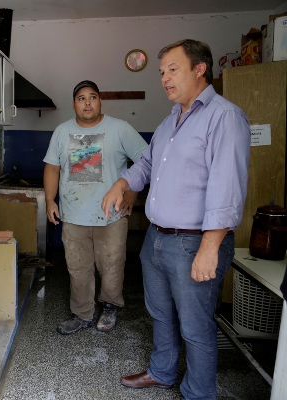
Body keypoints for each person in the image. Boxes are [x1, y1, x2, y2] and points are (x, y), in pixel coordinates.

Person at [102, 39, 251, 400]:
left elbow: (227, 190)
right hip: (158, 238)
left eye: (173, 70)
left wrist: (209, 248)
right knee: (160, 314)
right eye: (162, 73)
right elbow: (148, 165)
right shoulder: (171, 121)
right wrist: (123, 182)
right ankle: (163, 372)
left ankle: (199, 393)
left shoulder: (224, 117)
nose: (165, 79)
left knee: (195, 326)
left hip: (194, 242)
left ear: (199, 69)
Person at [44, 79, 147, 335]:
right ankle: (82, 314)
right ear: (74, 104)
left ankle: (110, 306)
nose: (87, 102)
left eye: (93, 97)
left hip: (110, 216)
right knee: (78, 268)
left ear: (100, 101)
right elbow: (52, 168)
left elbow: (146, 160)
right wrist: (49, 200)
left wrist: (132, 194)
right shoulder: (61, 131)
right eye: (81, 98)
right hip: (74, 215)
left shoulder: (120, 129)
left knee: (112, 265)